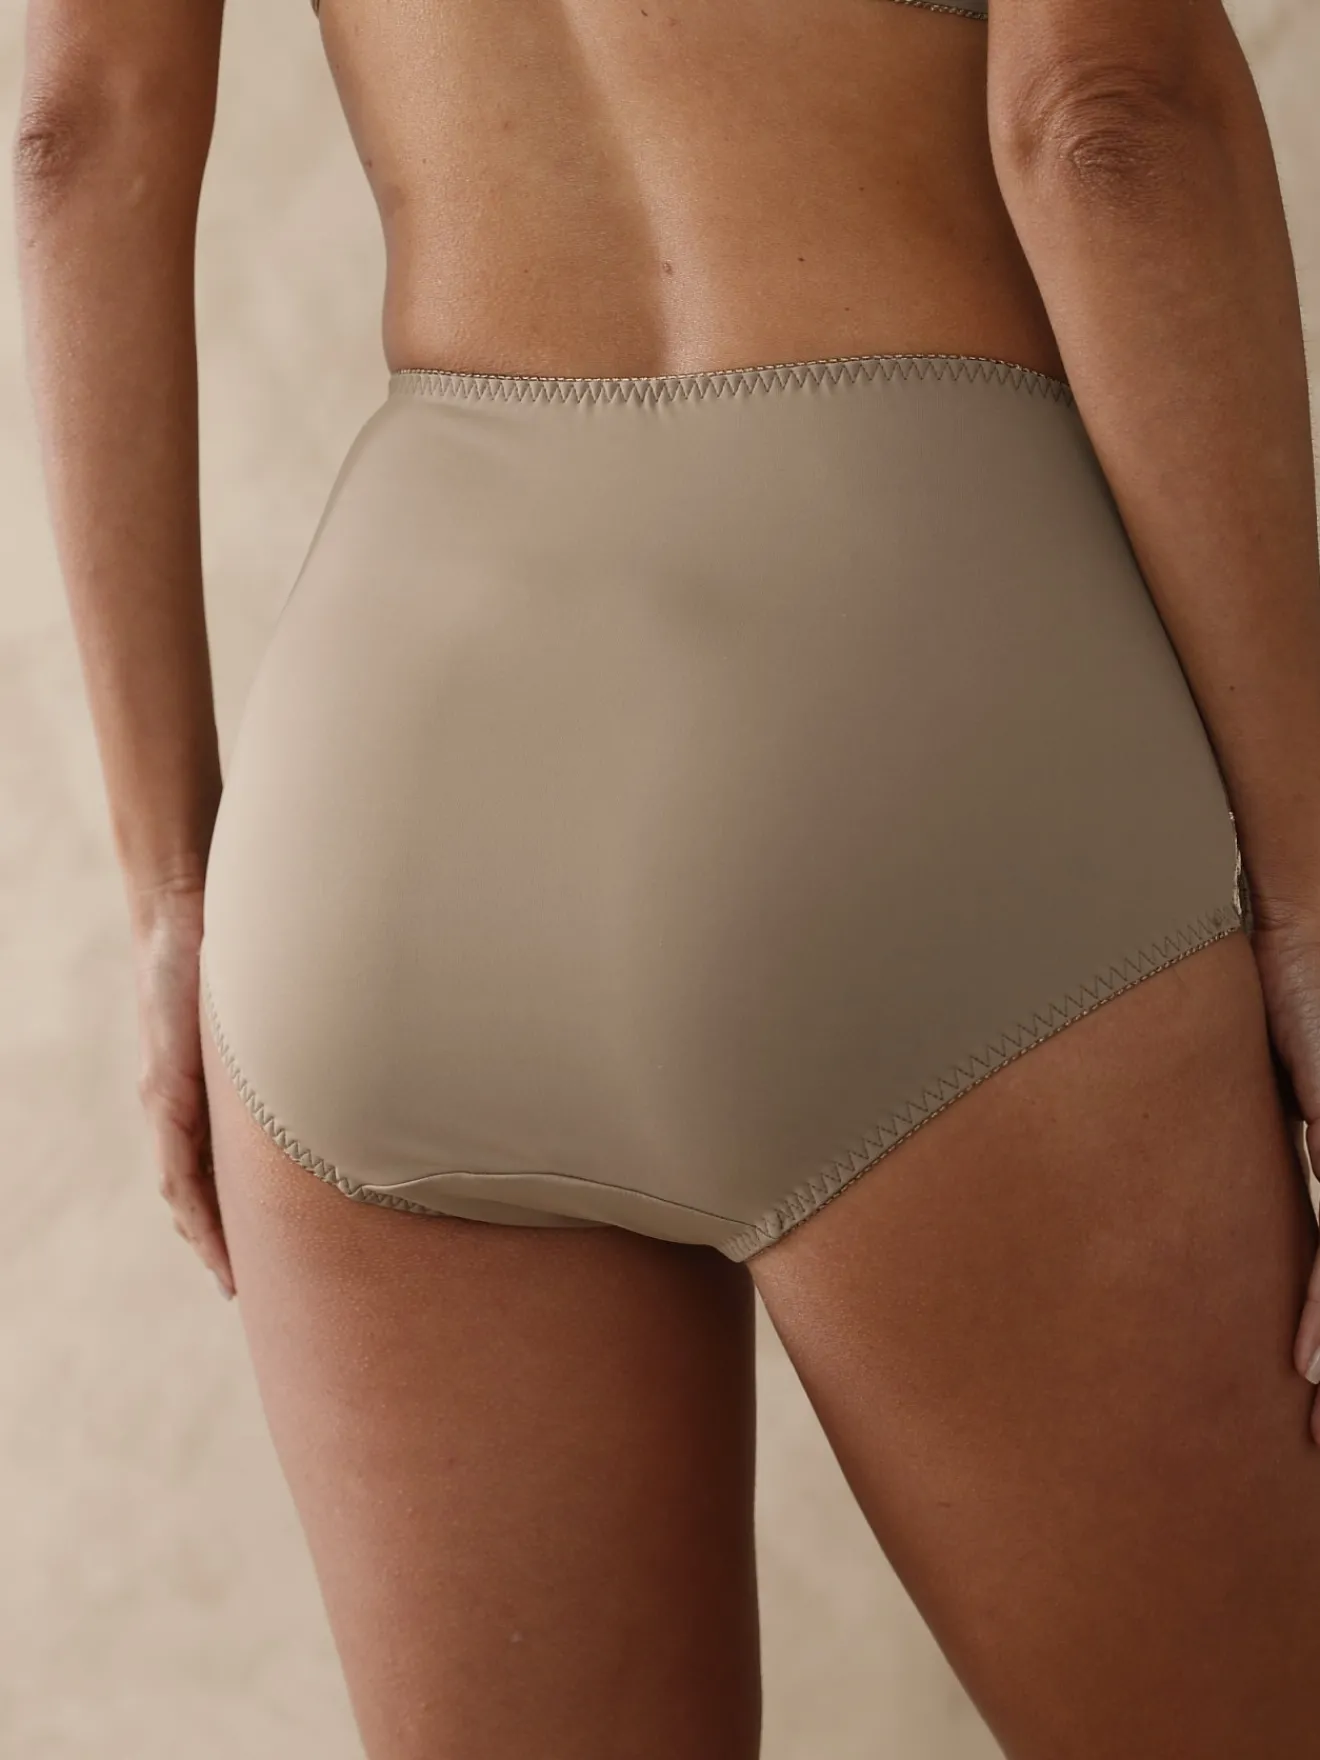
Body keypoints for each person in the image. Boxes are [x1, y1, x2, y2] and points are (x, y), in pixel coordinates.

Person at [14, 0, 1320, 1752]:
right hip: (921, 686)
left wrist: (171, 889)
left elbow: (73, 135)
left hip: (393, 768)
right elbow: (1108, 117)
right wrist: (1308, 900)